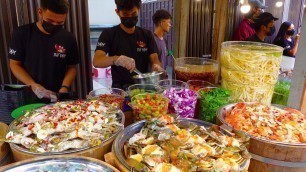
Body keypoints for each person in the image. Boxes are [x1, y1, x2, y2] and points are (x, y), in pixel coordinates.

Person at [8, 0, 79, 102]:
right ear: (40, 12)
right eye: (50, 21)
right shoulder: (22, 34)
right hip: (30, 95)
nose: (54, 25)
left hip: (57, 96)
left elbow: (72, 67)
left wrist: (65, 87)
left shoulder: (68, 38)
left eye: (60, 23)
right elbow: (15, 64)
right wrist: (33, 85)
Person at [93, 0, 164, 90]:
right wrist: (116, 59)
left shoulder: (147, 35)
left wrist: (156, 66)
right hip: (120, 90)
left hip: (144, 89)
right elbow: (97, 61)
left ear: (139, 9)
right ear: (117, 12)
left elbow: (155, 59)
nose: (130, 17)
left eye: (133, 14)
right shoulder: (109, 34)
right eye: (125, 14)